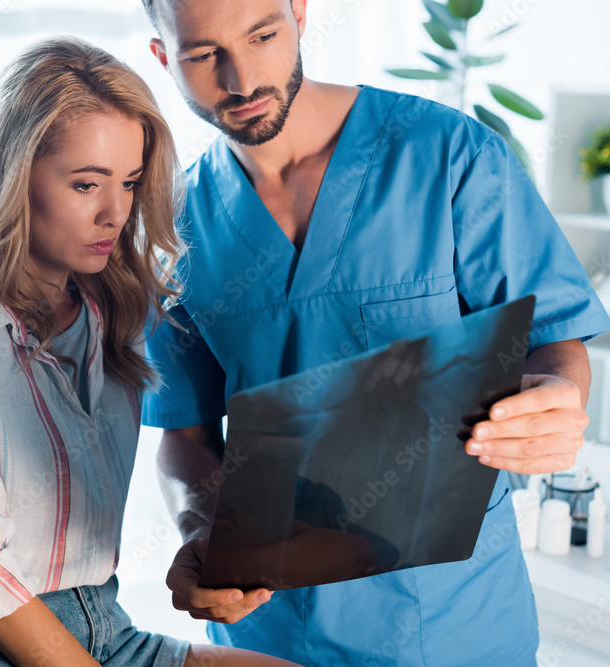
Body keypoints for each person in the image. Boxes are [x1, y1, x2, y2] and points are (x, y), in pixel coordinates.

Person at [137, 0, 610, 664]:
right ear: (162, 56)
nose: (241, 79)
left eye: (263, 35)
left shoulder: (446, 154)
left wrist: (560, 394)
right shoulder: (177, 230)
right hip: (270, 637)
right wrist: (200, 528)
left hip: (452, 622)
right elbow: (183, 434)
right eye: (201, 54)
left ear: (300, 12)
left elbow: (555, 338)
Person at [0, 36, 300, 667]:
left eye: (131, 183)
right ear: (14, 179)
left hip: (104, 625)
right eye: (86, 184)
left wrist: (206, 546)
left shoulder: (114, 318)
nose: (115, 214)